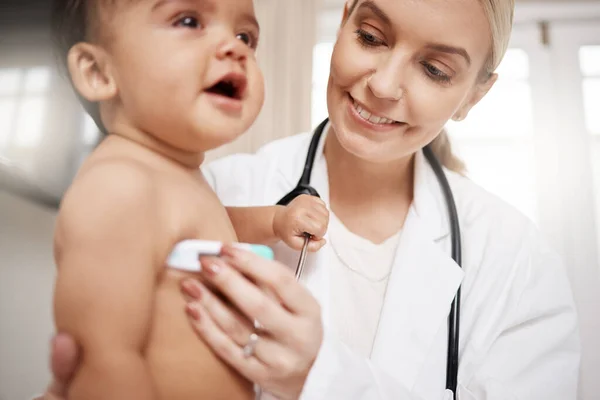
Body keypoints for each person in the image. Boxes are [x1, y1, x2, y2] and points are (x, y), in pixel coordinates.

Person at [41, 0, 581, 399]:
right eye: (370, 36)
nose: (384, 85)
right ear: (345, 18)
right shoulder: (210, 188)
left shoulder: (515, 261)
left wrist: (320, 378)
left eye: (435, 70)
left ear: (473, 96)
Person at [47, 0, 328, 399]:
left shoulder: (176, 178)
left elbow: (213, 231)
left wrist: (275, 222)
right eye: (189, 21)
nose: (236, 48)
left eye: (245, 36)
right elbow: (104, 358)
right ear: (98, 72)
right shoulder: (118, 185)